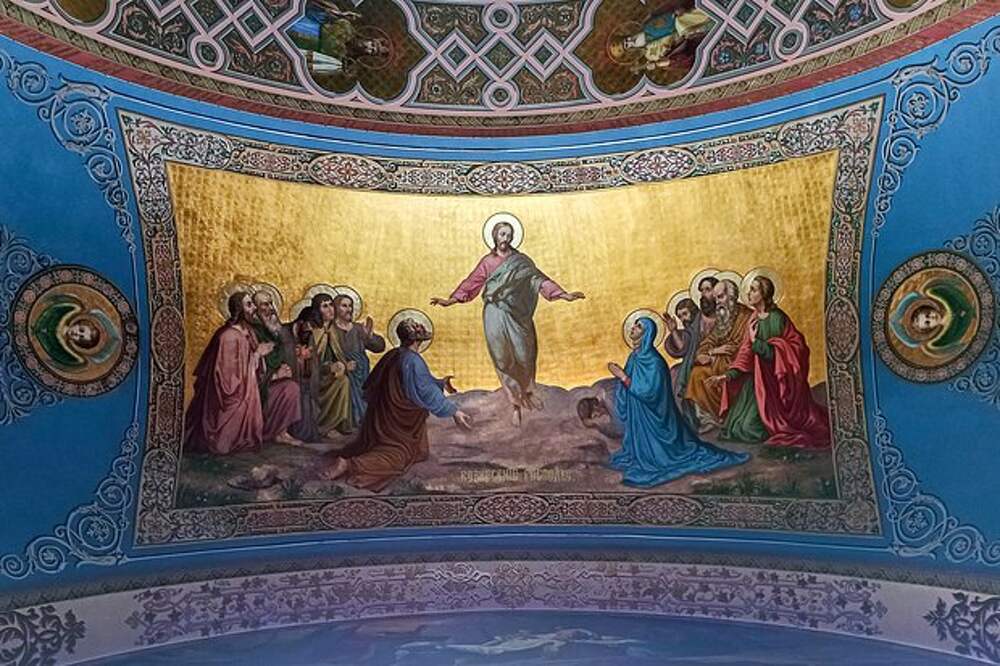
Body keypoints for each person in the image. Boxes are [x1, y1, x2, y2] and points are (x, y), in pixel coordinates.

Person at [431, 219, 585, 425]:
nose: (506, 238)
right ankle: (515, 405)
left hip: (518, 315)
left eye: (509, 235)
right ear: (495, 236)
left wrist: (562, 294)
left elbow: (538, 280)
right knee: (502, 358)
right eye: (502, 234)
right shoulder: (488, 262)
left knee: (524, 356)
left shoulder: (521, 261)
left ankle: (528, 392)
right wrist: (451, 300)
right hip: (494, 313)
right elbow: (472, 282)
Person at [322, 318, 473, 491]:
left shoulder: (394, 354)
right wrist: (454, 411)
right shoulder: (413, 360)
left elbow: (419, 382)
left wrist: (440, 383)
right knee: (399, 456)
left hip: (382, 418)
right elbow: (425, 392)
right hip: (398, 425)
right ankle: (348, 464)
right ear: (416, 339)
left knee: (420, 452)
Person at [606, 316, 749, 487]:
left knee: (665, 458)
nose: (633, 328)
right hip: (639, 414)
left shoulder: (655, 362)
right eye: (634, 325)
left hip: (657, 421)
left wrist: (622, 376)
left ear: (647, 334)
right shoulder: (634, 357)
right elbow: (630, 386)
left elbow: (649, 393)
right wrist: (623, 379)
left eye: (638, 327)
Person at [707, 276, 831, 448]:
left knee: (749, 428)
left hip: (776, 384)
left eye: (753, 290)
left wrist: (756, 342)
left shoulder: (778, 318)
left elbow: (790, 350)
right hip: (757, 381)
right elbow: (745, 354)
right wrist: (727, 375)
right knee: (735, 426)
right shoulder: (753, 319)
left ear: (764, 293)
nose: (749, 293)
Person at [184, 291, 302, 455]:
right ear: (239, 309)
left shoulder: (249, 332)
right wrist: (259, 355)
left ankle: (279, 433)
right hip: (233, 400)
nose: (253, 309)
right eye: (249, 305)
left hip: (253, 390)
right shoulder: (229, 337)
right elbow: (228, 383)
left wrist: (275, 372)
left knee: (289, 388)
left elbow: (257, 369)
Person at [684, 279, 752, 431]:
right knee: (697, 373)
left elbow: (742, 349)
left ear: (732, 297)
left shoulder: (746, 317)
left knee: (703, 374)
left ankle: (726, 416)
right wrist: (713, 352)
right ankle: (708, 419)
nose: (718, 302)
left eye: (720, 297)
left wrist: (715, 356)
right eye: (715, 299)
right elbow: (709, 342)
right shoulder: (723, 317)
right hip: (721, 363)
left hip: (740, 368)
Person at [328, 294, 386, 429]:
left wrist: (370, 337)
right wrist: (343, 365)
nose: (349, 309)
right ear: (336, 308)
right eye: (344, 306)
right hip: (342, 372)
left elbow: (380, 347)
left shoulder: (358, 328)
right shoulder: (331, 330)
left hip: (361, 373)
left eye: (350, 306)